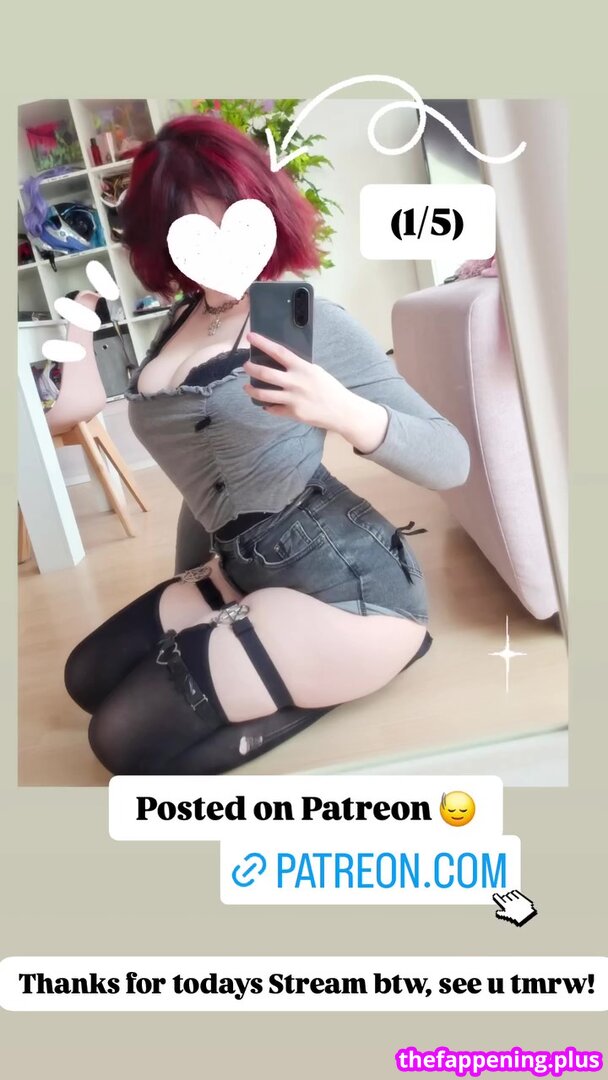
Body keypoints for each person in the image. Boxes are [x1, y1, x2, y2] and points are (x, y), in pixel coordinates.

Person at [64, 113, 471, 776]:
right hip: (243, 566)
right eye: (188, 225)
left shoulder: (311, 323)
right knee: (87, 676)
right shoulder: (181, 322)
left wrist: (341, 410)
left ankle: (371, 657)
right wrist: (190, 583)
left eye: (232, 214)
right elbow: (203, 477)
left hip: (347, 584)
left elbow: (451, 458)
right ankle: (281, 652)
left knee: (120, 742)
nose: (217, 240)